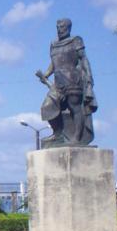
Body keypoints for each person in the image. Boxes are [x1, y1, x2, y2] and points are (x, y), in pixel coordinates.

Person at [35, 18, 96, 146]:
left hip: (73, 79)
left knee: (74, 108)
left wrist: (89, 81)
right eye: (58, 27)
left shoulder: (76, 41)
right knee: (47, 106)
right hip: (58, 82)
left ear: (68, 28)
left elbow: (83, 59)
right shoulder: (53, 44)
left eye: (62, 27)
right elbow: (55, 62)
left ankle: (77, 137)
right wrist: (46, 74)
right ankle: (57, 134)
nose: (59, 29)